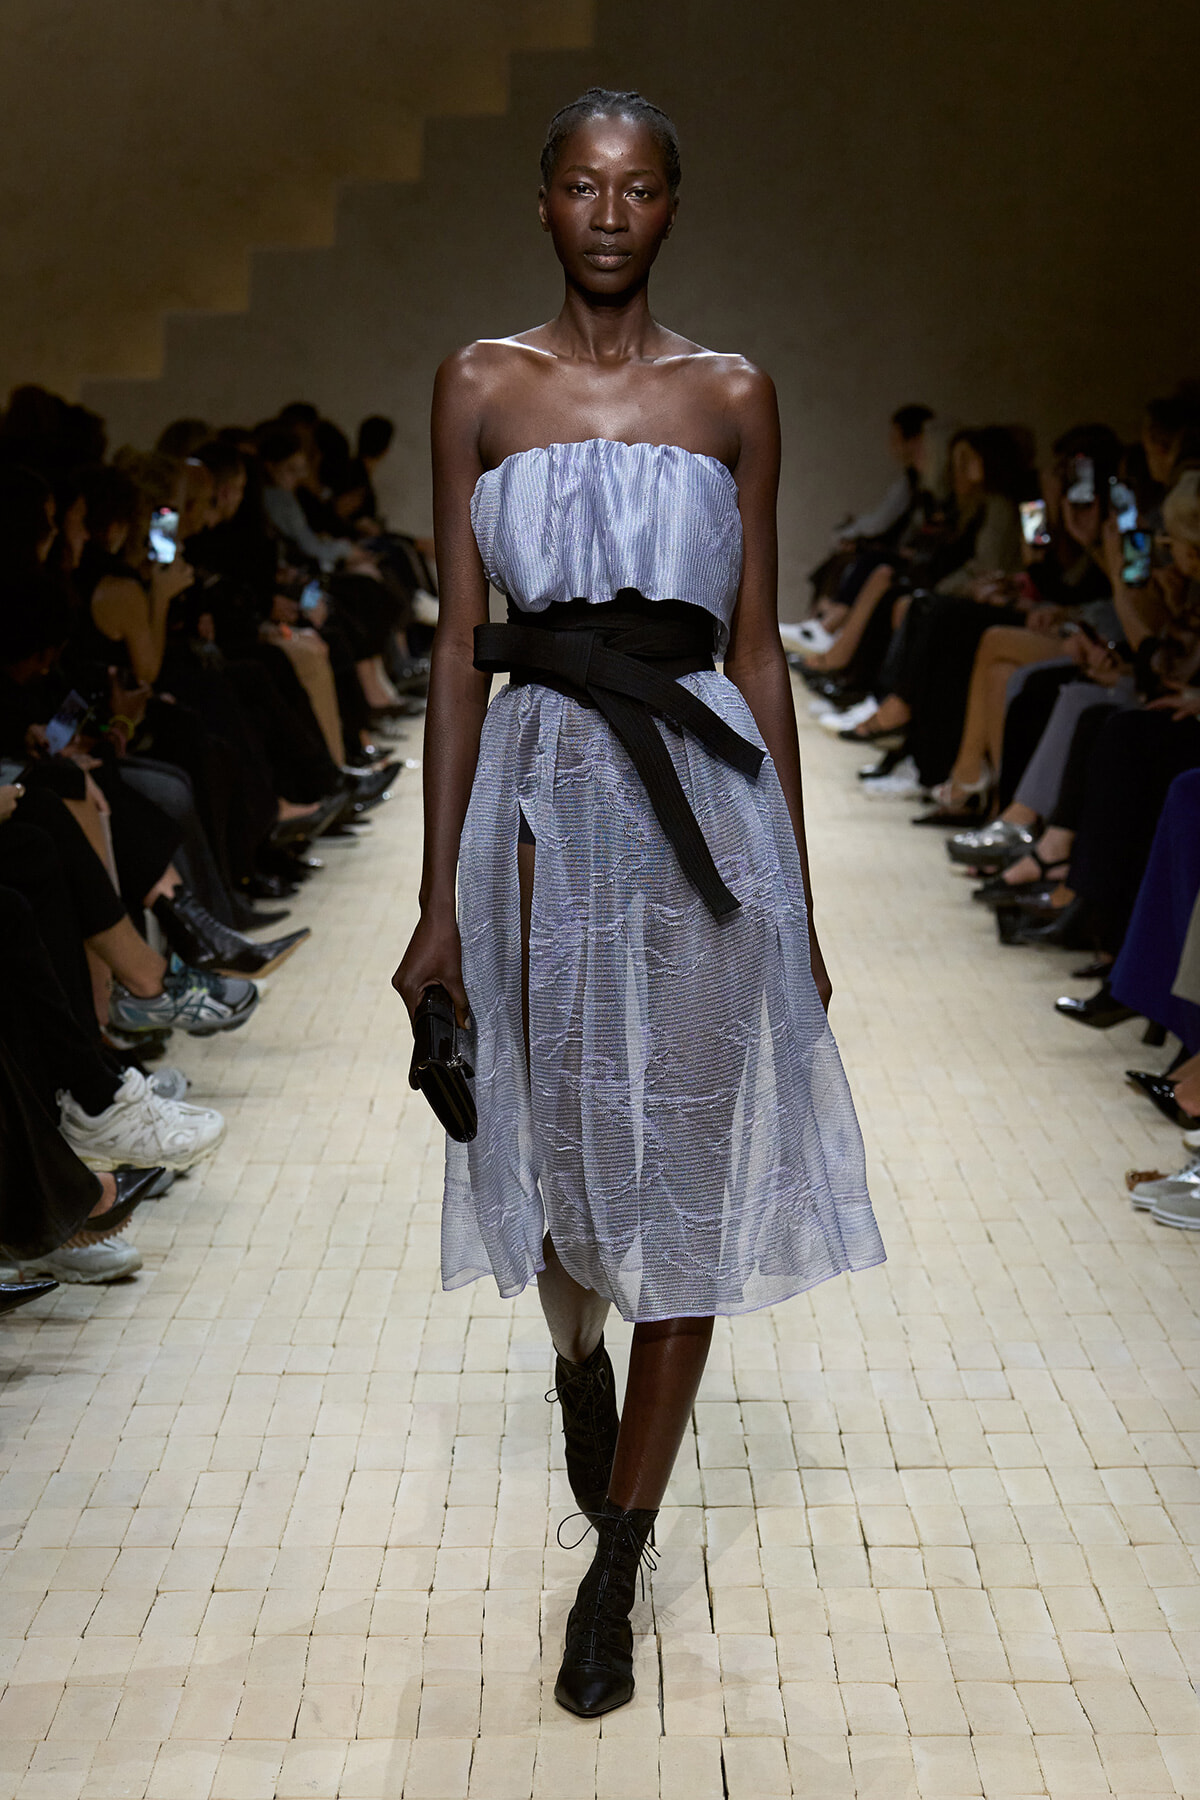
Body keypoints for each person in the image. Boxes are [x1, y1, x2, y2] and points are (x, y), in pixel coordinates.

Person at [393, 87, 881, 1719]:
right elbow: (458, 652)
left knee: (681, 1179)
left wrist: (796, 895)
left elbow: (758, 657)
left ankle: (617, 1558)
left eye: (642, 188)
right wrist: (437, 904)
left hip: (703, 817)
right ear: (543, 201)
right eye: (585, 186)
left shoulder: (733, 393)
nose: (611, 214)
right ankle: (573, 1360)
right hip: (539, 805)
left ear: (674, 205)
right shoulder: (479, 383)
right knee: (550, 1162)